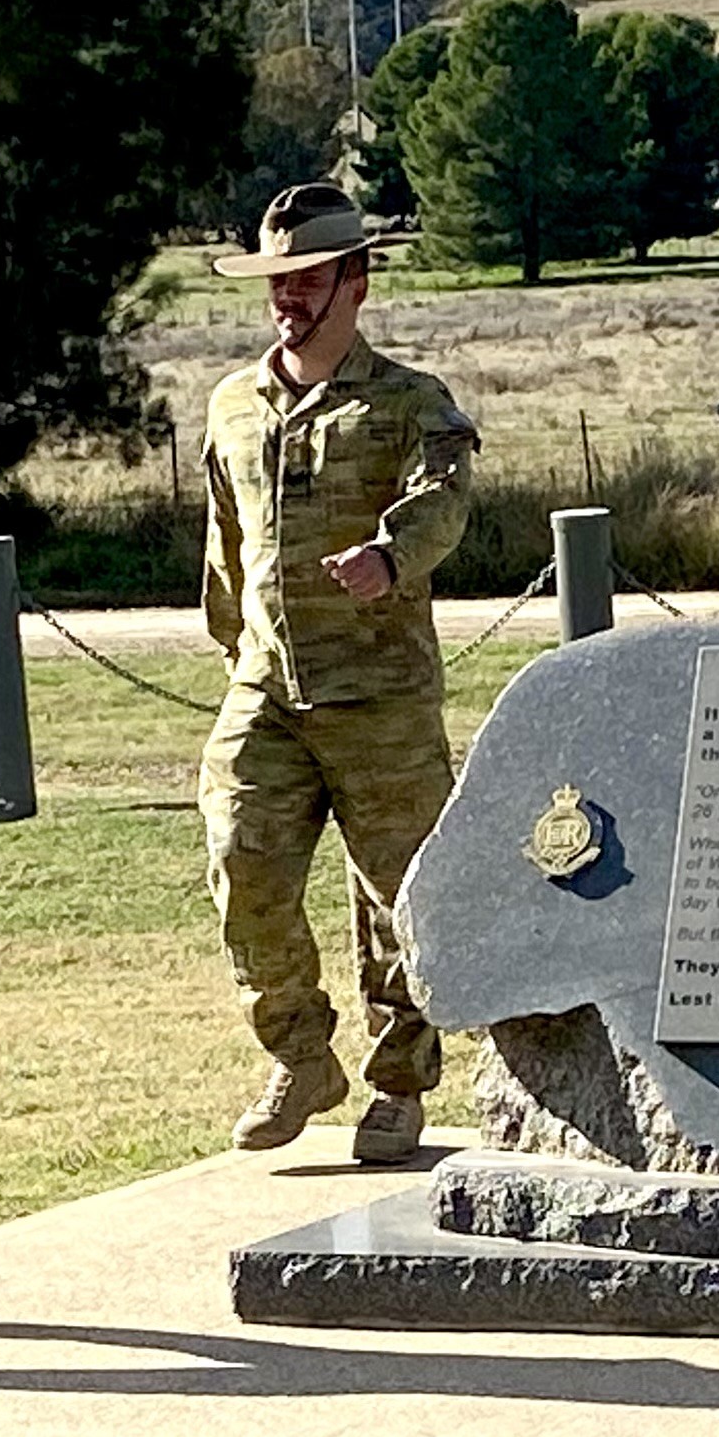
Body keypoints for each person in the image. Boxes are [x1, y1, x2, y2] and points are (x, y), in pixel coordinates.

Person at [200, 182, 480, 1158]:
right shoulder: (234, 404)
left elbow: (444, 499)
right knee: (242, 861)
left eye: (309, 277)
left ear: (355, 281)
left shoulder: (409, 401)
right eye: (277, 279)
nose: (288, 296)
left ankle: (400, 1078)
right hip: (267, 690)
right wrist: (237, 643)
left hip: (380, 695)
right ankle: (298, 1056)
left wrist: (390, 555)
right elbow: (227, 543)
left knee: (400, 897)